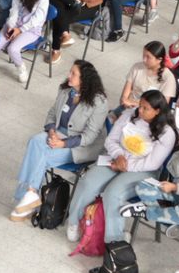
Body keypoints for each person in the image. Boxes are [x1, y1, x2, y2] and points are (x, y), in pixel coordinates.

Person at [65, 91, 178, 246]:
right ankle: (73, 222)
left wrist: (125, 165)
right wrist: (118, 156)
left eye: (146, 109)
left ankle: (114, 240)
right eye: (140, 106)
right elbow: (111, 140)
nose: (140, 111)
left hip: (142, 170)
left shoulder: (167, 133)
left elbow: (153, 163)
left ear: (157, 111)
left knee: (113, 193)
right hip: (117, 159)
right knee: (88, 182)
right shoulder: (129, 115)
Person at [10, 60, 109, 220]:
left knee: (41, 156)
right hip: (59, 134)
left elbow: (89, 137)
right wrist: (51, 131)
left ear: (85, 79)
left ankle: (28, 195)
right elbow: (51, 113)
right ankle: (30, 194)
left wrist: (63, 144)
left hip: (80, 146)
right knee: (35, 141)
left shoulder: (99, 102)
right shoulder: (65, 91)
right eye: (70, 72)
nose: (68, 76)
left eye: (73, 74)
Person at [0, 0, 50, 75]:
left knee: (12, 49)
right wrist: (11, 25)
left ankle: (21, 67)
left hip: (30, 29)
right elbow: (14, 10)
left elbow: (37, 19)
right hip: (15, 25)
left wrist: (20, 30)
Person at [119, 41, 178, 107]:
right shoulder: (137, 67)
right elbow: (125, 94)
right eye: (143, 55)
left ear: (159, 60)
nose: (144, 60)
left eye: (148, 57)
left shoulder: (168, 78)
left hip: (148, 113)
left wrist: (134, 104)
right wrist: (124, 101)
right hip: (129, 105)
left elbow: (162, 106)